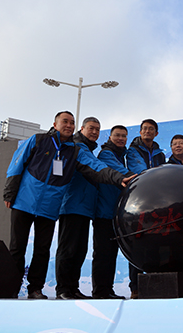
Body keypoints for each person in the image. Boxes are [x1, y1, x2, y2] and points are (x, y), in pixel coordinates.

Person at [3, 111, 135, 299]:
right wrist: (10, 192)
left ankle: (37, 289)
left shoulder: (75, 150)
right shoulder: (38, 140)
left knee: (43, 250)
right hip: (25, 202)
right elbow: (17, 164)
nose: (68, 125)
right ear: (55, 124)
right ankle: (11, 289)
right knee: (17, 248)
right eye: (65, 122)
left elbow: (96, 168)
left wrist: (119, 178)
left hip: (50, 207)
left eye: (71, 122)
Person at [55, 117, 119, 300]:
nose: (94, 132)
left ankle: (72, 288)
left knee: (79, 250)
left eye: (98, 129)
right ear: (82, 129)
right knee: (68, 249)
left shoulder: (88, 150)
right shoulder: (77, 147)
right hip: (72, 205)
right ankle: (63, 290)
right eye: (91, 128)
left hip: (85, 208)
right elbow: (94, 168)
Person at [126, 118, 166, 299]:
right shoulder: (133, 150)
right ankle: (135, 288)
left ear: (156, 133)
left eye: (151, 129)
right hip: (139, 202)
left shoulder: (160, 154)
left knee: (155, 244)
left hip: (156, 205)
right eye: (144, 129)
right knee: (138, 245)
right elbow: (140, 171)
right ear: (140, 132)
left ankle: (155, 285)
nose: (147, 132)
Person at [93, 125, 133, 299]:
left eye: (124, 136)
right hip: (104, 212)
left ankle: (107, 290)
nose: (121, 138)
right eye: (117, 135)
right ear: (109, 137)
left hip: (115, 214)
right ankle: (100, 291)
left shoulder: (122, 156)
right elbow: (123, 174)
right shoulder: (106, 155)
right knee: (102, 253)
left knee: (111, 254)